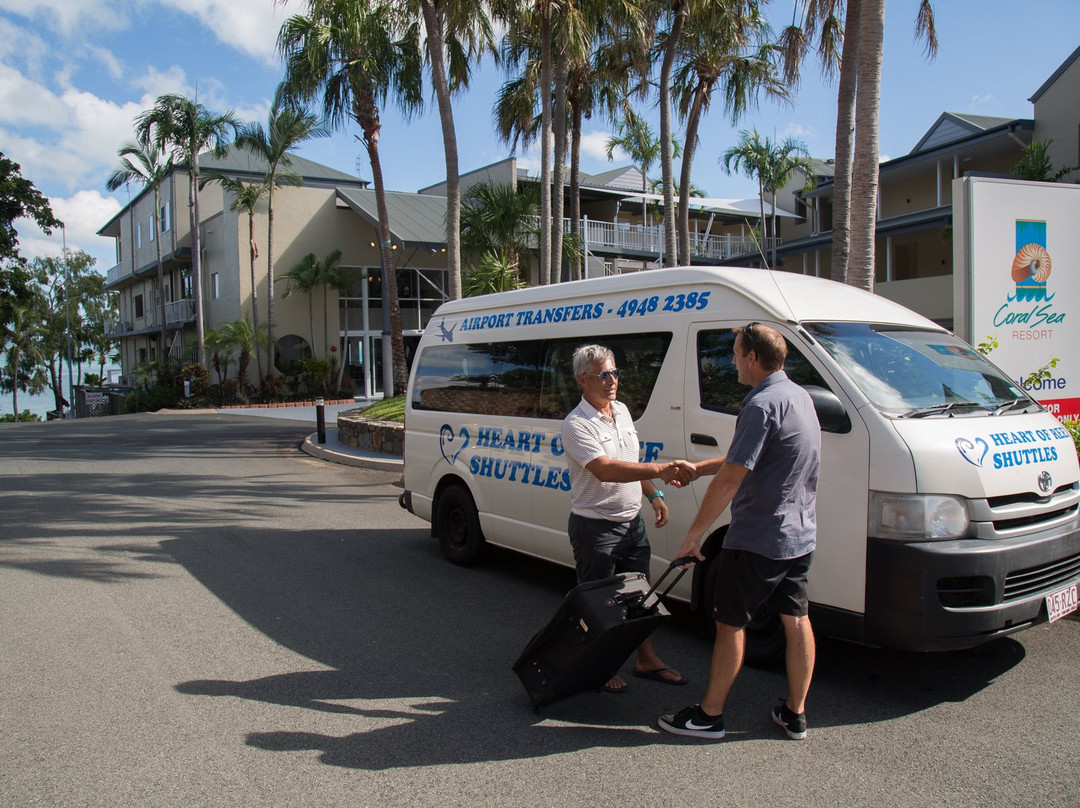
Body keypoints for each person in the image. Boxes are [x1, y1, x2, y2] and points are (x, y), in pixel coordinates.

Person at [657, 323, 821, 740]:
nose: (731, 361)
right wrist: (699, 467)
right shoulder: (799, 397)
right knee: (796, 619)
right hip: (798, 536)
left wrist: (694, 534)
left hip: (758, 538)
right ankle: (795, 713)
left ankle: (709, 716)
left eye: (735, 354)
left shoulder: (761, 403)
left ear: (753, 357)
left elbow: (732, 477)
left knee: (730, 623)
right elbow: (745, 457)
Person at [561, 344, 688, 693]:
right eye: (604, 375)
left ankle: (646, 659)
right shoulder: (576, 424)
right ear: (583, 380)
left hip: (632, 524)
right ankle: (595, 666)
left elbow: (630, 464)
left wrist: (654, 494)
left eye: (615, 373)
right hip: (596, 529)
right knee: (597, 604)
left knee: (639, 598)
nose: (612, 381)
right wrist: (661, 470)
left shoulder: (621, 411)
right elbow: (606, 470)